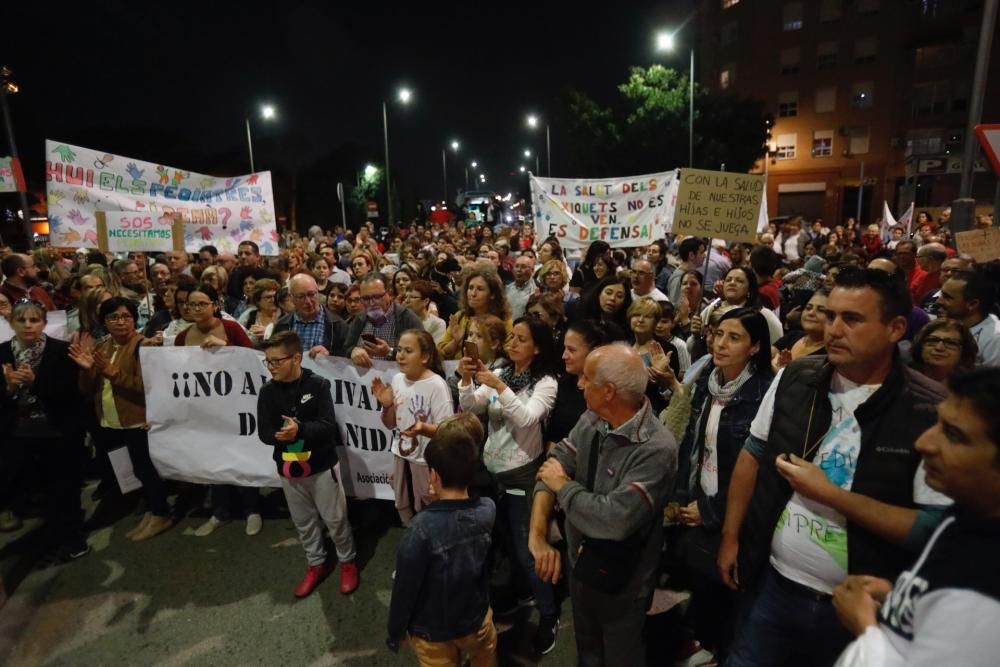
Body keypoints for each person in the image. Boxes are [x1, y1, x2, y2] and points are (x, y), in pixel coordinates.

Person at [719, 267, 948, 667]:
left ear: (895, 328)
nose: (834, 329)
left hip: (858, 607)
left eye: (852, 319)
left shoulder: (928, 409)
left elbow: (934, 529)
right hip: (772, 583)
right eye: (830, 316)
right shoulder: (797, 376)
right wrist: (731, 536)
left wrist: (831, 495)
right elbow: (752, 454)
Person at [830, 368, 1000, 667]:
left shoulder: (986, 588)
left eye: (954, 435)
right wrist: (904, 598)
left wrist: (865, 626)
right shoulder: (967, 516)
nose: (923, 443)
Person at [529, 343, 678, 666]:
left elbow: (613, 520)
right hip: (580, 563)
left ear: (608, 391)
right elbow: (553, 465)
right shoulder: (592, 418)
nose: (579, 384)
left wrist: (564, 488)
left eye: (586, 378)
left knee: (620, 654)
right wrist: (537, 537)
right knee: (588, 650)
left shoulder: (657, 448)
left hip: (623, 581)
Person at [669, 308, 774, 663]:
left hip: (736, 512)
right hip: (702, 497)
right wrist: (685, 497)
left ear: (756, 346)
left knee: (733, 592)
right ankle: (710, 646)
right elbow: (692, 445)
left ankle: (726, 653)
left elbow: (757, 472)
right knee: (706, 585)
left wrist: (712, 509)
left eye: (734, 337)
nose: (721, 344)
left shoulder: (764, 395)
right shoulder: (707, 382)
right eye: (718, 334)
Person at [458, 317, 560, 654]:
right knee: (501, 543)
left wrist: (498, 388)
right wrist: (467, 380)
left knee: (528, 549)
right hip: (492, 472)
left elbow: (528, 417)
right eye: (511, 337)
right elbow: (473, 407)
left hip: (521, 475)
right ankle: (521, 593)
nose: (513, 343)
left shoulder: (545, 382)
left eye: (521, 339)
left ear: (538, 346)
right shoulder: (501, 372)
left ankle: (549, 612)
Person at [385, 416, 497, 665]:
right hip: (476, 620)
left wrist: (395, 632)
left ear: (433, 476)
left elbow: (405, 588)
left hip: (432, 631)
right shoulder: (488, 509)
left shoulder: (421, 529)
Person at [256, 331, 359, 597]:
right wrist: (281, 436)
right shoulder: (267, 392)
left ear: (296, 358)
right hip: (288, 469)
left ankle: (347, 560)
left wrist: (299, 430)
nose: (272, 367)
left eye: (276, 361)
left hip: (322, 466)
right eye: (268, 361)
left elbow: (327, 427)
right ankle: (316, 563)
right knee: (303, 521)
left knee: (335, 519)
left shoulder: (318, 385)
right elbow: (263, 433)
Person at [70, 297, 172, 541]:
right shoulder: (103, 346)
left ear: (134, 319)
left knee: (146, 469)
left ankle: (161, 513)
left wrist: (112, 372)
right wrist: (86, 370)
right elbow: (88, 389)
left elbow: (146, 386)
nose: (120, 322)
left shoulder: (144, 346)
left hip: (138, 418)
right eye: (113, 317)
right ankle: (151, 510)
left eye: (126, 316)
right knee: (134, 470)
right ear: (104, 321)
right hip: (111, 419)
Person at [1, 300, 88, 561]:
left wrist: (35, 383)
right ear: (11, 323)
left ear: (44, 324)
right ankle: (48, 537)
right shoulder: (4, 353)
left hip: (57, 432)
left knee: (64, 488)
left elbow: (70, 394)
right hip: (19, 434)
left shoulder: (60, 351)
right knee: (35, 490)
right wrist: (10, 389)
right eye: (22, 320)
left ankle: (74, 539)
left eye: (34, 320)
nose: (28, 326)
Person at [175, 285, 261, 537]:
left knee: (242, 459)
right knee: (214, 461)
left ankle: (252, 509)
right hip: (204, 413)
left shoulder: (232, 329)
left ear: (215, 304)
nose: (196, 309)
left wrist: (226, 348)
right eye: (191, 305)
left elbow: (254, 361)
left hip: (236, 409)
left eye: (202, 303)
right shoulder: (182, 338)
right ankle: (220, 510)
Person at [372, 329, 454, 524]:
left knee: (430, 511)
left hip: (426, 462)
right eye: (399, 350)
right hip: (402, 456)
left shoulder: (437, 386)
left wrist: (423, 429)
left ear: (425, 356)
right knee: (406, 509)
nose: (400, 355)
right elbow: (390, 423)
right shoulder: (398, 379)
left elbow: (448, 432)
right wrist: (386, 405)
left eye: (408, 351)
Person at [344, 273, 423, 367]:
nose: (371, 303)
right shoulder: (360, 318)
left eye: (377, 297)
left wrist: (389, 352)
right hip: (363, 378)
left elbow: (421, 355)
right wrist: (353, 351)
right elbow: (346, 348)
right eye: (365, 298)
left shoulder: (407, 319)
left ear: (389, 293)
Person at [438, 267, 511, 360]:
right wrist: (456, 341)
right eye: (470, 288)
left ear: (492, 294)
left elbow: (508, 355)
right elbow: (441, 354)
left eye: (480, 289)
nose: (473, 293)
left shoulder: (504, 320)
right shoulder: (460, 316)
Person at [935, 267, 1000, 366]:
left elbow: (992, 380)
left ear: (972, 304)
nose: (938, 301)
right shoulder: (940, 323)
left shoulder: (995, 338)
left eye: (947, 297)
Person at [272, 274, 346, 359]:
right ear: (291, 298)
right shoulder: (282, 325)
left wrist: (329, 355)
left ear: (318, 292)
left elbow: (346, 358)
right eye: (301, 297)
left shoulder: (338, 325)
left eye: (311, 294)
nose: (308, 301)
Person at [773, 289, 829, 371]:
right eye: (808, 308)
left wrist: (781, 370)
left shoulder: (829, 355)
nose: (811, 313)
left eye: (821, 310)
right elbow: (764, 357)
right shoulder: (793, 335)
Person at [908, 319, 977, 384]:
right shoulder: (903, 379)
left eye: (950, 343)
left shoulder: (972, 388)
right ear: (920, 345)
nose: (939, 348)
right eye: (933, 340)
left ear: (964, 351)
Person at [238, 278, 281, 347]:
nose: (273, 300)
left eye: (275, 296)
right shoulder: (249, 315)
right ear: (258, 300)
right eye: (268, 297)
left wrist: (268, 333)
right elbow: (238, 337)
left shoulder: (284, 315)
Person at [669, 237, 707, 306]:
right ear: (691, 255)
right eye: (701, 252)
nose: (704, 255)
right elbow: (674, 304)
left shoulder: (689, 273)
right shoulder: (679, 277)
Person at [406, 279, 446, 344]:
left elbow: (435, 351)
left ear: (426, 301)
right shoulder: (401, 320)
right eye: (406, 297)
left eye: (412, 297)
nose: (407, 301)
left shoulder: (438, 323)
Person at [506, 254, 537, 320]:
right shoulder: (507, 288)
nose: (519, 270)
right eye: (516, 266)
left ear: (532, 270)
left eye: (523, 267)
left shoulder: (536, 290)